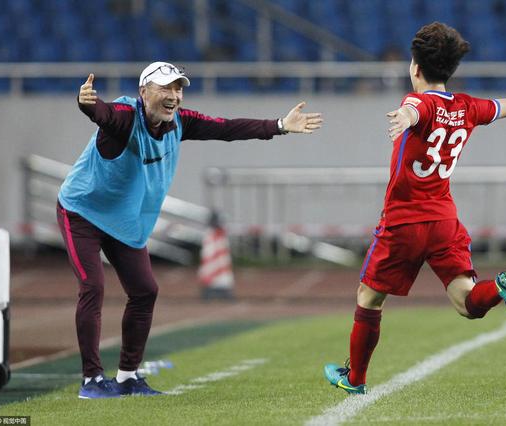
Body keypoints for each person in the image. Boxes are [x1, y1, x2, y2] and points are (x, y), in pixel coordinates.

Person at [324, 22, 506, 395]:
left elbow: (414, 110)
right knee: (467, 302)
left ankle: (355, 379)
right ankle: (500, 291)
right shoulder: (468, 107)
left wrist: (404, 119)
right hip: (444, 221)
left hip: (404, 222)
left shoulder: (416, 102)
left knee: (368, 298)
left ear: (416, 69)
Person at [57, 61, 322, 399]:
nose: (174, 96)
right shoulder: (125, 116)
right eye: (166, 88)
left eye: (178, 88)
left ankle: (127, 377)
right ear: (143, 92)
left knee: (145, 291)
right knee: (93, 285)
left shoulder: (180, 122)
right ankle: (92, 380)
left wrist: (281, 125)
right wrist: (87, 104)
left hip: (122, 221)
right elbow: (104, 114)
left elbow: (227, 128)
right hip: (82, 211)